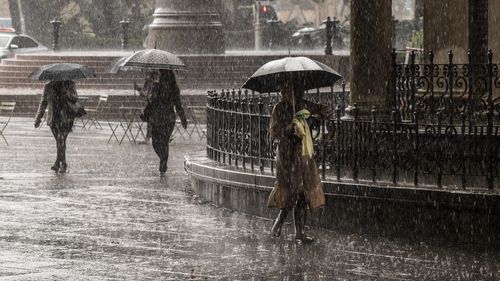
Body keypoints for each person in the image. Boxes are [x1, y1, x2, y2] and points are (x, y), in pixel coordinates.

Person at [267, 81, 331, 244]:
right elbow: (274, 132)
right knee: (293, 191)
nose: (284, 93)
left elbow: (319, 110)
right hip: (287, 155)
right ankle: (279, 221)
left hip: (303, 154)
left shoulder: (303, 105)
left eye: (289, 90)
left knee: (302, 193)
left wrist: (323, 112)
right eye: (284, 90)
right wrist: (288, 129)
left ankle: (300, 233)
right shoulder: (279, 109)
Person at [136, 69, 187, 177]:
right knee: (163, 143)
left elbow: (153, 102)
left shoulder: (160, 87)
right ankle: (163, 160)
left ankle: (163, 162)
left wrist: (146, 112)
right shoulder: (170, 88)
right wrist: (183, 118)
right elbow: (178, 104)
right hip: (167, 119)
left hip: (160, 118)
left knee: (157, 143)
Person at [34, 80, 78, 173]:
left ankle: (58, 163)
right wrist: (38, 118)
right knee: (60, 141)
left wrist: (68, 93)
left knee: (61, 139)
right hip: (53, 117)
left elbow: (75, 98)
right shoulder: (48, 86)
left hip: (66, 117)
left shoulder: (69, 84)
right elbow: (43, 102)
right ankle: (62, 162)